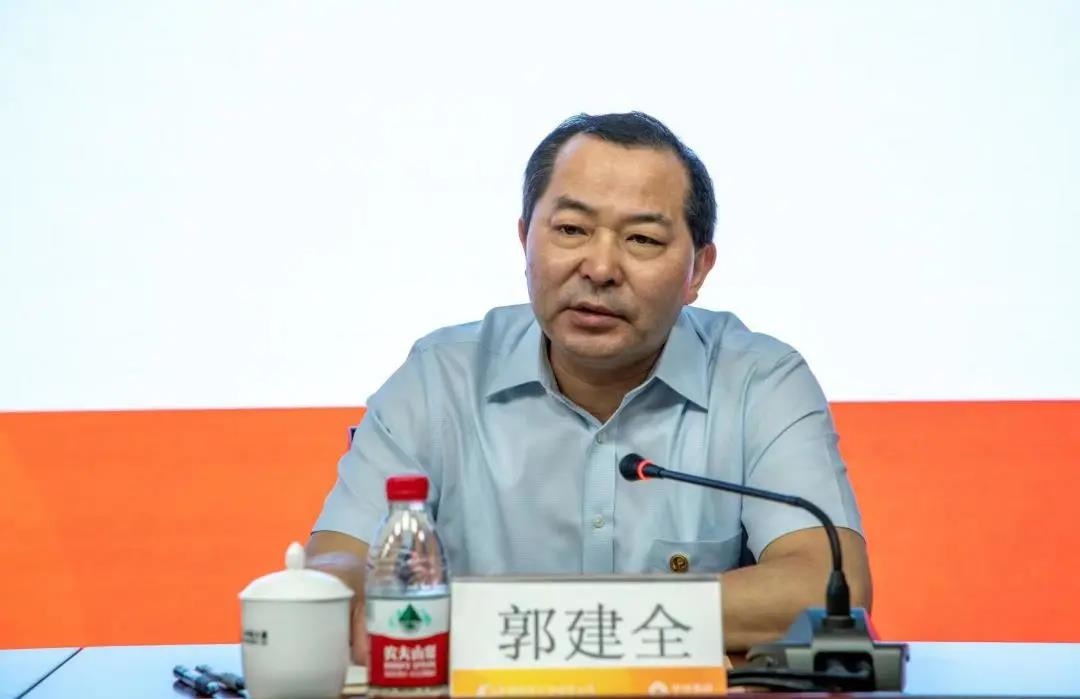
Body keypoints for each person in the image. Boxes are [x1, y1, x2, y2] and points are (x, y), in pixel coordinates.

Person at [306, 112, 871, 664]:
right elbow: (337, 569)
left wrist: (548, 622)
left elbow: (827, 587)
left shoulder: (759, 382)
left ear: (698, 270)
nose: (600, 268)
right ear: (525, 239)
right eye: (571, 230)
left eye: (642, 239)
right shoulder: (438, 379)